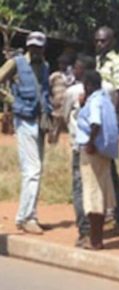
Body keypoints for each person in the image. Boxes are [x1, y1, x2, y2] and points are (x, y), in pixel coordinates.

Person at [0, 30, 52, 235]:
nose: (35, 50)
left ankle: (31, 214)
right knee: (33, 170)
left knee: (35, 170)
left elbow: (45, 94)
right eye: (32, 46)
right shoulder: (16, 63)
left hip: (40, 122)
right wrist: (12, 101)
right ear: (28, 46)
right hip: (24, 120)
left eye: (39, 47)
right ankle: (24, 217)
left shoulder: (46, 67)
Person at [75, 70, 119, 250]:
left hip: (92, 151)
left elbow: (95, 123)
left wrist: (90, 142)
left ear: (88, 85)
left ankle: (94, 240)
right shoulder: (106, 100)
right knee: (101, 193)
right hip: (105, 152)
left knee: (93, 195)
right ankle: (98, 238)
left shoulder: (94, 101)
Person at [95, 26, 119, 231]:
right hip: (96, 119)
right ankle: (109, 211)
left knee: (109, 168)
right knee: (102, 167)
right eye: (97, 41)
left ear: (112, 41)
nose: (100, 44)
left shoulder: (117, 64)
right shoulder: (99, 61)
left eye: (104, 41)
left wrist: (110, 121)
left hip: (107, 122)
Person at [61, 54, 96, 247]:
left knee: (79, 188)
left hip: (80, 145)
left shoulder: (73, 91)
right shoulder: (106, 90)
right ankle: (96, 230)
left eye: (77, 67)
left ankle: (85, 231)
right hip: (99, 147)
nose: (74, 70)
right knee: (96, 187)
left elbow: (65, 115)